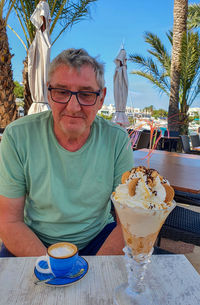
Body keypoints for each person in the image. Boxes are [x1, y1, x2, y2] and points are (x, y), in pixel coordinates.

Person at [0, 48, 134, 257]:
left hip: (99, 237)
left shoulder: (117, 140)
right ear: (48, 93)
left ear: (101, 98)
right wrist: (54, 267)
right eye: (62, 92)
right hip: (35, 238)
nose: (73, 107)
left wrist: (93, 273)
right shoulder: (17, 136)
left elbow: (128, 223)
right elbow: (9, 221)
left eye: (86, 94)